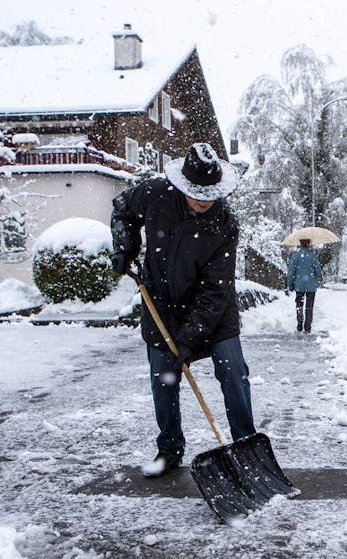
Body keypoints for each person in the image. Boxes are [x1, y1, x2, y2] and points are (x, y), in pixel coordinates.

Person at [109, 143, 255, 478]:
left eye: (210, 193)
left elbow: (215, 289)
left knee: (233, 371)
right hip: (161, 303)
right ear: (180, 185)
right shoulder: (155, 194)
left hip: (214, 313)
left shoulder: (225, 224)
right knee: (164, 379)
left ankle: (245, 445)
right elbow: (121, 209)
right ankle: (169, 449)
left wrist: (190, 339)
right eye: (195, 192)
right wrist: (125, 247)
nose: (203, 199)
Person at [286, 238, 323, 333]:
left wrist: (290, 285)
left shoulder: (296, 256)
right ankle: (307, 326)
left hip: (299, 286)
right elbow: (318, 271)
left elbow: (290, 272)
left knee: (299, 304)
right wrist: (317, 282)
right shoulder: (313, 256)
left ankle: (299, 322)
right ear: (309, 244)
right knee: (309, 306)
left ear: (300, 244)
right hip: (311, 286)